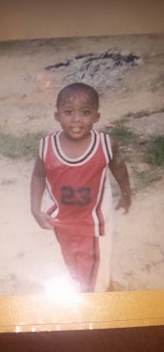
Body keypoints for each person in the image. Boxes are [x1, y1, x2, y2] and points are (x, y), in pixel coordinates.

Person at [30, 82, 131, 292]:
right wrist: (35, 210)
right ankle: (97, 287)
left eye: (85, 112)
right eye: (68, 112)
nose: (76, 119)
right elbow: (38, 176)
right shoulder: (46, 146)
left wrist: (126, 194)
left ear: (96, 116)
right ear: (57, 115)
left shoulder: (105, 145)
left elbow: (119, 169)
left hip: (95, 225)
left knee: (95, 274)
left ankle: (100, 299)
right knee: (74, 266)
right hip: (63, 223)